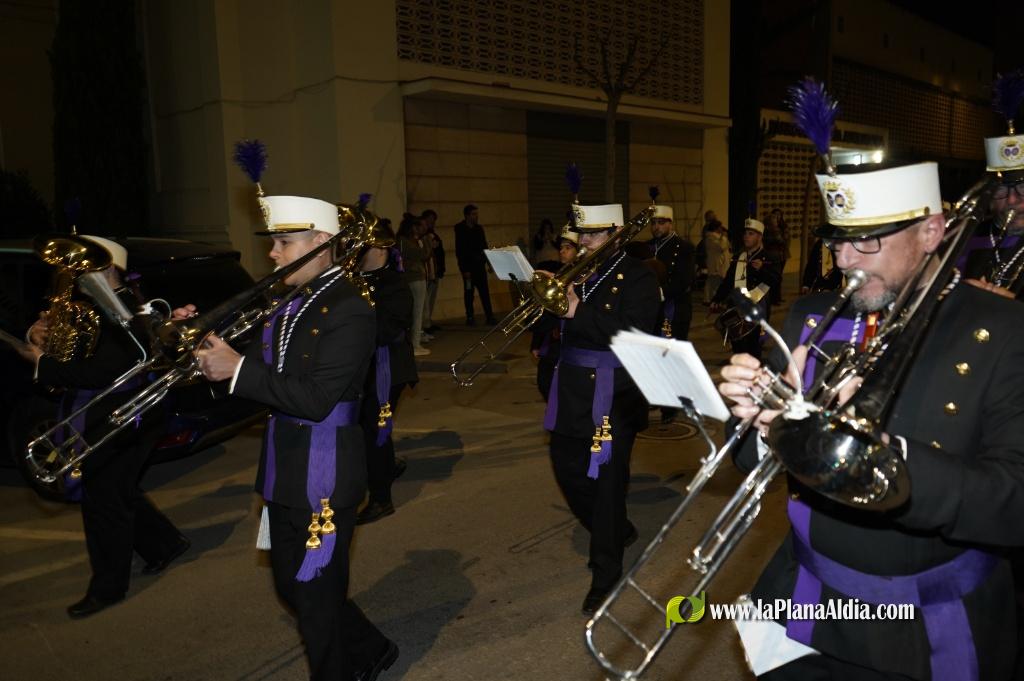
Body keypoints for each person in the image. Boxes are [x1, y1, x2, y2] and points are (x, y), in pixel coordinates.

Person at [718, 160, 1024, 680]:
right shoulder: (814, 315)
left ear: (931, 232)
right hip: (805, 598)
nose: (845, 260)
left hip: (923, 624)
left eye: (866, 241)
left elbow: (1014, 500)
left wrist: (885, 459)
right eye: (837, 241)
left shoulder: (1003, 328)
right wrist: (764, 425)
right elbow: (747, 457)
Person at [181, 195, 397, 681]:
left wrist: (238, 369)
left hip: (324, 469)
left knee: (315, 598)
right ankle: (372, 647)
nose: (273, 253)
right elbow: (262, 375)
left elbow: (316, 398)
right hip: (283, 464)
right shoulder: (292, 301)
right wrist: (205, 349)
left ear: (320, 242)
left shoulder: (351, 308)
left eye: (284, 242)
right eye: (274, 242)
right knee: (290, 585)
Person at [16, 235, 188, 619]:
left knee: (103, 499)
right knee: (115, 489)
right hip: (106, 410)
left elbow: (101, 371)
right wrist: (39, 335)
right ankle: (164, 544)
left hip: (126, 415)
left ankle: (108, 587)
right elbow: (73, 351)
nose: (75, 275)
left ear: (108, 267)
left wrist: (42, 363)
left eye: (83, 267)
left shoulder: (127, 309)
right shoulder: (94, 305)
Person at [542, 202, 659, 617]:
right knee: (567, 468)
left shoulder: (638, 277)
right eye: (582, 234)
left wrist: (578, 310)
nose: (584, 242)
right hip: (571, 388)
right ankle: (615, 528)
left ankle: (606, 571)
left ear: (616, 235)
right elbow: (554, 332)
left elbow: (635, 333)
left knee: (607, 483)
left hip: (614, 390)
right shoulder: (577, 273)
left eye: (593, 235)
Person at [354, 221, 417, 525]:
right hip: (363, 368)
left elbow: (387, 330)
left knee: (374, 429)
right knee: (366, 428)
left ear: (379, 250)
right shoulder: (354, 280)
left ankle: (381, 499)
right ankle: (387, 467)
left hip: (387, 367)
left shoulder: (394, 284)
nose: (354, 252)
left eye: (361, 247)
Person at [710, 218, 782, 359]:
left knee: (753, 347)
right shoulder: (739, 256)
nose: (746, 237)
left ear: (760, 237)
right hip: (736, 307)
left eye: (751, 234)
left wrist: (761, 270)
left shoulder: (770, 257)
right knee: (737, 346)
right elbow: (728, 281)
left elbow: (776, 281)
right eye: (745, 233)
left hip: (758, 307)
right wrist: (717, 299)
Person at [530, 227, 579, 401]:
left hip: (571, 338)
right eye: (561, 248)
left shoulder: (585, 275)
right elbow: (545, 309)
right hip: (553, 339)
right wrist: (536, 343)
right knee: (544, 380)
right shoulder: (558, 274)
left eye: (568, 248)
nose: (562, 251)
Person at [454, 204, 496, 326]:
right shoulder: (460, 229)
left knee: (484, 292)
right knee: (469, 292)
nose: (476, 216)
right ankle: (470, 316)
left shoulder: (479, 229)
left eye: (476, 214)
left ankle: (489, 316)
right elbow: (460, 251)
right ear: (467, 215)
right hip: (468, 267)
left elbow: (484, 246)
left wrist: (489, 263)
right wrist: (464, 269)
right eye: (473, 214)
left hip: (479, 266)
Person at [396, 213, 430, 356]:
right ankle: (415, 345)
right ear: (412, 227)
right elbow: (423, 255)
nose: (420, 230)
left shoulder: (402, 241)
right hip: (415, 278)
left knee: (413, 312)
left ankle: (413, 343)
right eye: (417, 227)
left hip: (410, 278)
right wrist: (426, 242)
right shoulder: (407, 242)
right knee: (417, 312)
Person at [420, 209, 445, 334]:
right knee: (425, 300)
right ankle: (425, 324)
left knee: (430, 298)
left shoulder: (432, 235)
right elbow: (425, 254)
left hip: (434, 270)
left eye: (433, 220)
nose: (432, 223)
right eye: (429, 220)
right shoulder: (423, 237)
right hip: (427, 272)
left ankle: (427, 321)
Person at [704, 218, 731, 304]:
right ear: (716, 228)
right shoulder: (710, 238)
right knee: (714, 282)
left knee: (716, 282)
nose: (721, 229)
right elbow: (721, 247)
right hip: (716, 263)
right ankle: (711, 300)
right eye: (720, 227)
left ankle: (713, 300)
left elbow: (728, 247)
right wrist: (723, 237)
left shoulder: (718, 237)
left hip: (721, 263)